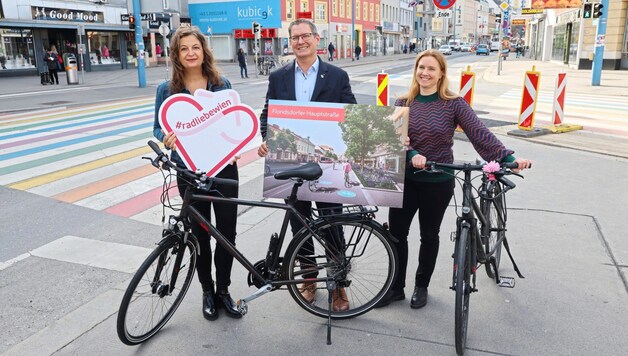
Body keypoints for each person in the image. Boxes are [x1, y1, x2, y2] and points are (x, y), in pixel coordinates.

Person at [374, 49, 532, 309]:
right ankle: (395, 287)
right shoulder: (403, 103)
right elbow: (393, 139)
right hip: (405, 179)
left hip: (438, 180)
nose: (424, 72)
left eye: (431, 69)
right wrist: (412, 153)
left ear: (441, 74)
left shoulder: (453, 103)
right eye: (421, 67)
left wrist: (507, 160)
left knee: (429, 235)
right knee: (397, 234)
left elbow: (479, 133)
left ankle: (421, 286)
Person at [257, 18, 357, 312]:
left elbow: (349, 113)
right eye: (294, 37)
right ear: (290, 42)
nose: (300, 42)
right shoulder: (279, 77)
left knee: (331, 224)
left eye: (305, 36)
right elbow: (268, 114)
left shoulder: (337, 76)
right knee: (300, 224)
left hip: (325, 166)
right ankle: (309, 278)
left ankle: (338, 284)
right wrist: (267, 138)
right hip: (294, 167)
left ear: (317, 39)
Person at [152, 26, 242, 321]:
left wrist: (236, 144)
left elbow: (233, 124)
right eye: (184, 49)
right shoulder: (166, 90)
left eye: (195, 47)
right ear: (177, 55)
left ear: (204, 51)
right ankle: (207, 290)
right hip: (189, 172)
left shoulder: (221, 82)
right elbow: (158, 126)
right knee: (200, 236)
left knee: (226, 234)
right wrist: (166, 137)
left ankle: (224, 291)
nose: (191, 53)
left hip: (223, 169)